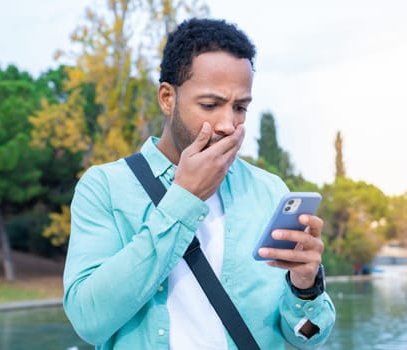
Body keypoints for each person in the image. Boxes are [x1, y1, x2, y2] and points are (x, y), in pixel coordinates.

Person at [63, 18, 335, 349]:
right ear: (167, 98)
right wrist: (184, 199)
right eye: (210, 105)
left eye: (240, 108)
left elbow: (308, 337)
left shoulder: (269, 192)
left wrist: (305, 288)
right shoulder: (104, 187)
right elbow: (88, 321)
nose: (227, 124)